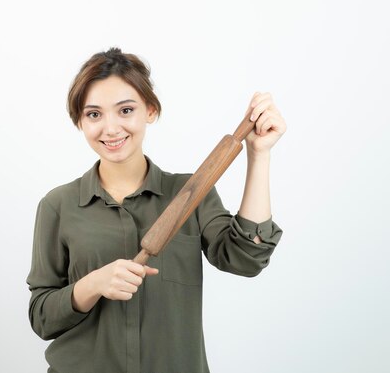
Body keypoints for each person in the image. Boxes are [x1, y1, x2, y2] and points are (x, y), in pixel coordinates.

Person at [26, 47, 286, 373]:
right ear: (80, 120)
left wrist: (258, 155)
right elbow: (41, 317)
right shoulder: (58, 205)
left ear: (150, 110)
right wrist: (92, 284)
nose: (110, 128)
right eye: (94, 114)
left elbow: (247, 258)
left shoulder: (192, 192)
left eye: (125, 110)